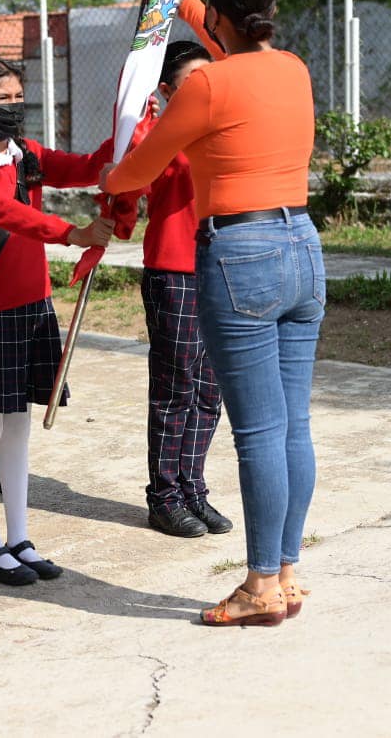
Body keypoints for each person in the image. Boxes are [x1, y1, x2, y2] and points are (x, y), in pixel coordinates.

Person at [102, 0, 323, 628]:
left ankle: (258, 586)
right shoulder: (294, 68)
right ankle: (284, 573)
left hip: (241, 253)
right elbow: (226, 30)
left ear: (221, 18)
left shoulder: (205, 87)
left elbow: (140, 166)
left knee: (257, 431)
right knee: (292, 424)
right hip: (302, 247)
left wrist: (110, 181)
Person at [0, 54, 112, 588]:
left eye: (19, 98)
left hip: (32, 304)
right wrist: (72, 233)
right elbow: (7, 214)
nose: (14, 109)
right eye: (1, 101)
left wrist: (128, 130)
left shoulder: (27, 155)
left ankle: (20, 537)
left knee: (19, 424)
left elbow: (84, 166)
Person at [136, 41, 231, 539]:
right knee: (176, 387)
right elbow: (144, 175)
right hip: (173, 269)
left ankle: (194, 487)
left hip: (218, 264)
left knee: (211, 388)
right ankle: (164, 495)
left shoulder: (220, 129)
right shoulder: (154, 132)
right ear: (168, 91)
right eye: (194, 81)